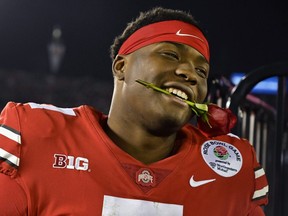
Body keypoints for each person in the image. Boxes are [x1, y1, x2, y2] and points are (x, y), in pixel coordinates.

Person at [0, 7, 268, 215]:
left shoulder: (231, 167)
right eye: (170, 55)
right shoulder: (37, 137)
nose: (190, 74)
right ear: (121, 67)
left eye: (201, 71)